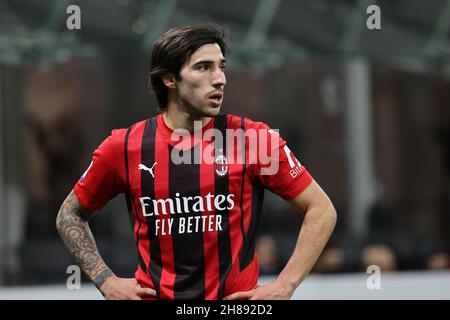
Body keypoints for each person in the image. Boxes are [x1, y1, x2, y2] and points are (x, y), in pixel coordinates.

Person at [56, 24, 337, 300]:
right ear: (169, 78)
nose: (220, 79)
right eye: (204, 67)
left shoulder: (253, 139)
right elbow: (69, 215)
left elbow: (321, 209)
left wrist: (285, 286)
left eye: (221, 67)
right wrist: (106, 281)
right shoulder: (123, 147)